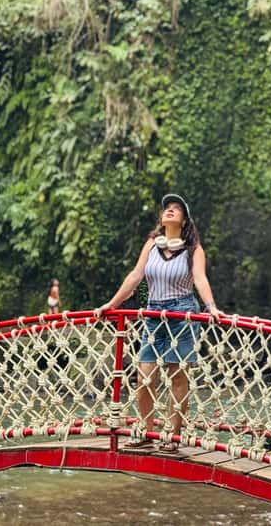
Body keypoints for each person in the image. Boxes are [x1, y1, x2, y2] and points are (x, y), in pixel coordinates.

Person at [96, 192, 222, 453]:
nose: (171, 210)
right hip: (154, 313)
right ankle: (146, 431)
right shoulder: (152, 243)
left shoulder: (194, 250)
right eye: (167, 208)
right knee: (144, 377)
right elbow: (136, 276)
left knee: (177, 376)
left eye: (177, 209)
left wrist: (211, 307)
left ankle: (172, 437)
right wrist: (112, 304)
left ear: (185, 221)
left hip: (182, 313)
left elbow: (199, 279)